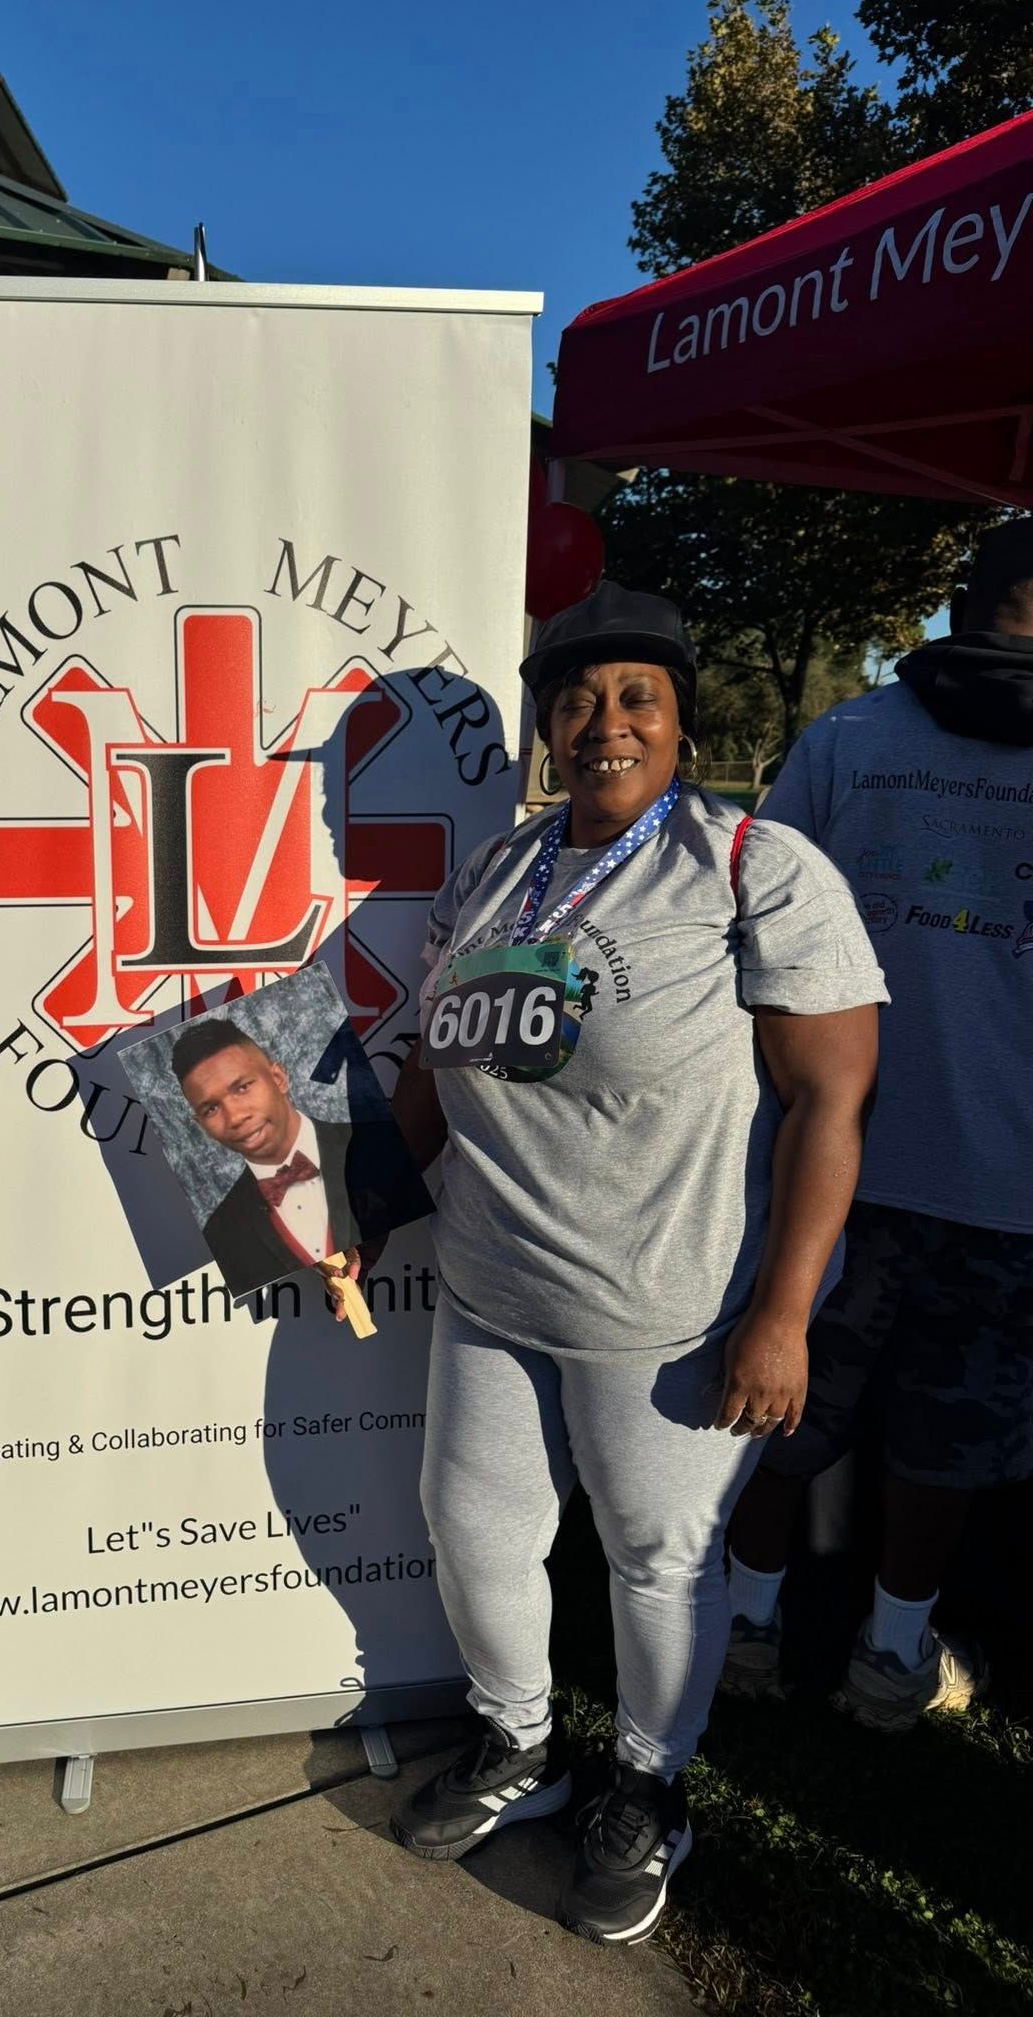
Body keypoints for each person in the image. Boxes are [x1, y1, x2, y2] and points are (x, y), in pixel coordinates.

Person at [347, 582, 885, 1945]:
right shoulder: (496, 868)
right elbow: (432, 1062)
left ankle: (649, 1785)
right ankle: (519, 1748)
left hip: (672, 1305)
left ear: (682, 721)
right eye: (577, 698)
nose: (604, 722)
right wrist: (362, 1195)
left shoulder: (750, 862)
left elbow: (831, 1101)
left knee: (656, 1558)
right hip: (489, 1284)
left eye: (635, 696)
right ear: (545, 726)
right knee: (474, 1531)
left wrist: (782, 1313)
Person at [722, 520, 1033, 1731]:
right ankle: (892, 1654)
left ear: (959, 604)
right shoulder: (848, 735)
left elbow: (750, 916)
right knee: (945, 1434)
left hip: (824, 1152)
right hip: (1005, 1172)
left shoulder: (849, 737)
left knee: (781, 1396)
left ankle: (745, 1623)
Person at [172, 1015, 430, 1295]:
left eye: (242, 1087)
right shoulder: (222, 1231)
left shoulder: (375, 1150)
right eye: (211, 1108)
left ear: (279, 1078)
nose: (235, 1116)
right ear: (200, 1125)